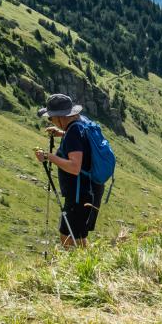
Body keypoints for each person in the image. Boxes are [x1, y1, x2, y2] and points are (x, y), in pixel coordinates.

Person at [33, 94, 103, 248]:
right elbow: (80, 141)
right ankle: (90, 264)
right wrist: (61, 133)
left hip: (79, 195)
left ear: (60, 117)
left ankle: (80, 269)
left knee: (67, 236)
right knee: (79, 236)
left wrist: (48, 156)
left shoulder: (72, 133)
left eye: (51, 118)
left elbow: (74, 167)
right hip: (89, 190)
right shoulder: (79, 124)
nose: (51, 121)